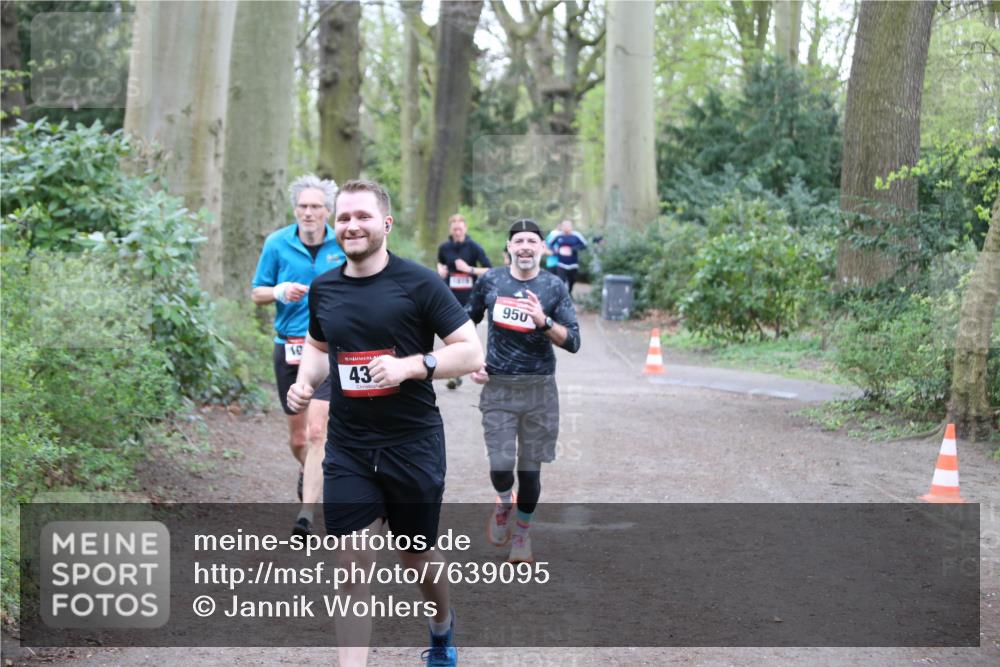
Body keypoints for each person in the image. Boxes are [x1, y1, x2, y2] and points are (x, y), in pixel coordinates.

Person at [287, 179, 484, 667]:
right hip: (350, 446)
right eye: (344, 217)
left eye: (363, 217)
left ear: (386, 224)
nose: (352, 226)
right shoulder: (325, 288)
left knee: (417, 557)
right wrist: (305, 382)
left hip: (412, 444)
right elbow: (317, 346)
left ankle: (441, 627)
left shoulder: (419, 283)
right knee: (352, 562)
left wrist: (411, 366)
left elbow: (469, 351)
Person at [465, 219, 581, 564]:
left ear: (542, 248)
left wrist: (543, 321)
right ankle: (504, 502)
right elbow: (464, 322)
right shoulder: (491, 280)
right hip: (498, 388)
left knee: (530, 472)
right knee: (501, 465)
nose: (526, 247)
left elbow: (573, 341)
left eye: (532, 241)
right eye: (519, 241)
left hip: (539, 391)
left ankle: (522, 535)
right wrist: (473, 360)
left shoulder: (554, 286)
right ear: (509, 247)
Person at [251, 174, 345, 538]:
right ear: (295, 210)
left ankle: (306, 513)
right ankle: (309, 469)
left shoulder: (342, 243)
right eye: (303, 206)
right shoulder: (277, 243)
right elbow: (256, 293)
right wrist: (279, 290)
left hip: (329, 349)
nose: (309, 213)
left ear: (327, 210)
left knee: (318, 430)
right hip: (289, 348)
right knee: (300, 440)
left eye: (316, 206)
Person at [436, 214, 492, 390]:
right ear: (450, 230)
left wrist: (469, 269)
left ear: (465, 229)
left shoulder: (474, 247)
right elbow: (440, 263)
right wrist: (440, 269)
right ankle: (456, 374)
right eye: (454, 229)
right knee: (451, 336)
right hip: (449, 297)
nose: (457, 232)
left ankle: (472, 369)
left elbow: (489, 270)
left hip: (470, 299)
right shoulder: (444, 247)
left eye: (460, 228)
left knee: (466, 338)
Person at [549, 219, 588, 295]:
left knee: (572, 280)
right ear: (562, 226)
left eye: (568, 225)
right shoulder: (558, 235)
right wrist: (556, 251)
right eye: (564, 225)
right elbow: (550, 244)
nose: (566, 227)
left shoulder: (576, 235)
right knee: (561, 281)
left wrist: (572, 249)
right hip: (561, 263)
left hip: (573, 263)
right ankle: (561, 296)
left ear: (571, 226)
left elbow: (585, 245)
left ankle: (569, 292)